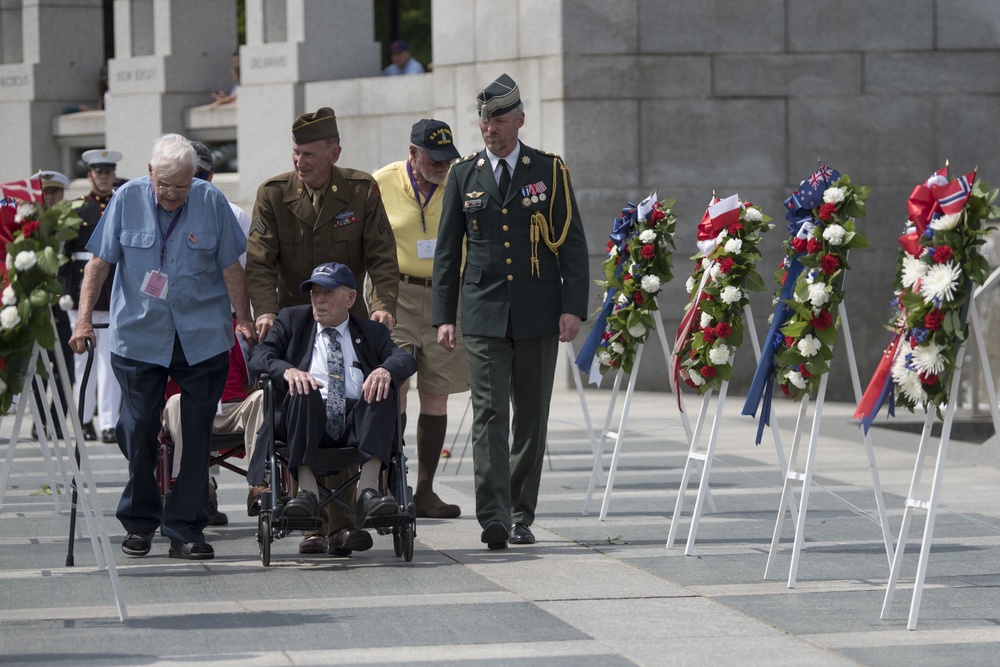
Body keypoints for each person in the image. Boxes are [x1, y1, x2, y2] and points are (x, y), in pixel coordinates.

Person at [69, 133, 254, 561]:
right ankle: (140, 519)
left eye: (182, 186)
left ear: (196, 178)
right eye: (165, 184)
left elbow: (231, 266)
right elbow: (99, 262)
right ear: (150, 172)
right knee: (135, 428)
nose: (173, 194)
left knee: (196, 433)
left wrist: (243, 319)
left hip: (202, 335)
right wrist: (83, 321)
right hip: (139, 333)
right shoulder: (126, 199)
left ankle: (186, 527)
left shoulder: (211, 202)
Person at [432, 74, 590, 549]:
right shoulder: (464, 174)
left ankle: (522, 511)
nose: (489, 128)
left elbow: (574, 245)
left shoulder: (549, 170)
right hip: (482, 313)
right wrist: (445, 315)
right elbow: (447, 252)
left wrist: (572, 308)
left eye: (499, 119)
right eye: (484, 119)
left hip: (538, 311)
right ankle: (494, 515)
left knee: (531, 418)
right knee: (488, 415)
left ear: (520, 119)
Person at [247, 106, 399, 556]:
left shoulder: (360, 190)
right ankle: (315, 522)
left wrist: (384, 306)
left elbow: (382, 257)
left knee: (353, 401)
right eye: (296, 153)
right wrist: (266, 312)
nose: (301, 162)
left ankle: (343, 522)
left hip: (348, 315)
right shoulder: (273, 195)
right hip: (298, 324)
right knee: (307, 403)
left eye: (310, 153)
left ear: (335, 152)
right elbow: (259, 263)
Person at [248, 262, 416, 548]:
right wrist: (287, 371)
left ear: (350, 298)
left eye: (327, 292)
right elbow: (259, 357)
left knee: (381, 388)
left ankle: (369, 491)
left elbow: (403, 358)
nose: (318, 299)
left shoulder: (370, 331)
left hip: (354, 424)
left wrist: (385, 371)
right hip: (305, 417)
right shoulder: (292, 320)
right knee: (304, 389)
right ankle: (307, 494)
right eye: (314, 292)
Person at [373, 119, 465, 519]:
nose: (442, 166)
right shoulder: (381, 183)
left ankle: (424, 491)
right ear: (412, 152)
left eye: (447, 159)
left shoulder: (459, 181)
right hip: (397, 292)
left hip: (448, 295)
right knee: (395, 384)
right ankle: (389, 484)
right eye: (434, 158)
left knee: (437, 392)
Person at [60, 149, 123, 443]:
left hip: (112, 292)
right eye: (99, 173)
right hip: (81, 292)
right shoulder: (76, 209)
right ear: (90, 176)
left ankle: (109, 422)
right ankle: (84, 421)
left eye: (108, 172)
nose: (104, 177)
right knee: (82, 362)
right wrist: (66, 293)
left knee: (111, 361)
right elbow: (64, 256)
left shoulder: (121, 203)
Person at [30, 171, 74, 440]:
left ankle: (58, 422)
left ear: (62, 195)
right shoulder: (30, 223)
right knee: (38, 366)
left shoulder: (72, 223)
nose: (50, 197)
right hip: (37, 303)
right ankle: (39, 421)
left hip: (65, 302)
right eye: (46, 192)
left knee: (65, 366)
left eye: (56, 192)